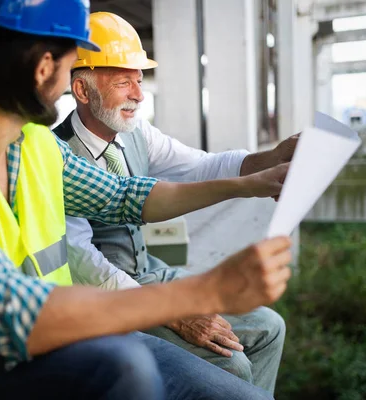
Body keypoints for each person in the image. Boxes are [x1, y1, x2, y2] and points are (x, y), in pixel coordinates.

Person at [0, 1, 292, 399]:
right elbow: (4, 315)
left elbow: (125, 197)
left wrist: (253, 181)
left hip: (64, 335)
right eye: (69, 63)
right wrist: (200, 293)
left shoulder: (36, 144)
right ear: (45, 68)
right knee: (124, 368)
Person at [53, 12, 300, 395]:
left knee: (270, 327)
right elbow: (87, 265)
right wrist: (172, 309)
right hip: (108, 296)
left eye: (139, 79)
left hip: (150, 273)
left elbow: (199, 165)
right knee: (230, 363)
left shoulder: (136, 133)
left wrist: (272, 157)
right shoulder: (54, 154)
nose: (138, 94)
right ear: (83, 91)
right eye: (124, 82)